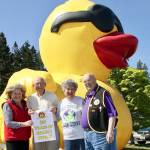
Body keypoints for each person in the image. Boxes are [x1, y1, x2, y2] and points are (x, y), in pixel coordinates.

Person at [81, 73, 118, 150]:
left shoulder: (103, 93)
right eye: (84, 81)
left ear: (95, 80)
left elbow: (112, 114)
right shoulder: (87, 94)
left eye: (88, 80)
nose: (86, 83)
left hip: (100, 134)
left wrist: (110, 132)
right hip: (87, 134)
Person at [27, 77, 59, 150]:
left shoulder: (52, 95)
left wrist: (55, 109)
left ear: (45, 85)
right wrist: (29, 112)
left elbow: (58, 108)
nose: (39, 85)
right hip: (38, 127)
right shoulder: (30, 98)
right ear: (33, 86)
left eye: (41, 83)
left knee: (52, 146)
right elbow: (28, 111)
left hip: (51, 126)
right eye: (37, 84)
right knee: (38, 147)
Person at [2, 84, 31, 150]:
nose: (17, 95)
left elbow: (29, 119)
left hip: (25, 137)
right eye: (15, 93)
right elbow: (8, 123)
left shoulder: (26, 104)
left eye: (19, 93)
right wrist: (24, 124)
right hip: (13, 139)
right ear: (10, 94)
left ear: (22, 94)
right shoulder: (7, 105)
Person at [59, 79, 85, 150]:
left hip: (80, 136)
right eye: (68, 89)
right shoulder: (61, 103)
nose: (70, 91)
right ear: (63, 90)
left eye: (72, 89)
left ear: (75, 90)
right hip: (68, 137)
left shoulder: (81, 100)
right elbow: (56, 117)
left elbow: (86, 116)